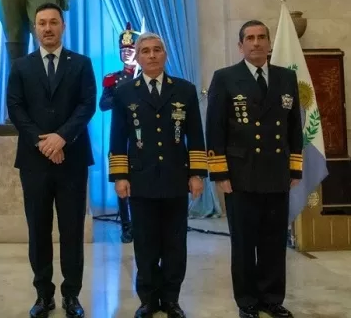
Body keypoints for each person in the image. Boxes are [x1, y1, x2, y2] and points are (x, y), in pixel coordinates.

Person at [206, 20, 302, 318]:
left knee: (274, 241)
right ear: (240, 46)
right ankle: (247, 301)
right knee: (244, 243)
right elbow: (215, 128)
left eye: (261, 37)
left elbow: (294, 127)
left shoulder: (286, 77)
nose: (256, 42)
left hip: (276, 172)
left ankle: (272, 298)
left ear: (269, 43)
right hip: (240, 174)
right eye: (250, 38)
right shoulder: (225, 78)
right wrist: (220, 173)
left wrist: (295, 169)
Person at [7, 2, 96, 318]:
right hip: (34, 161)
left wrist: (62, 137)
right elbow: (15, 108)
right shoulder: (21, 66)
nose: (47, 28)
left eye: (53, 22)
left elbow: (87, 105)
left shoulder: (81, 63)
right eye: (42, 23)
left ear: (63, 26)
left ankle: (72, 295)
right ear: (34, 28)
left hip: (72, 159)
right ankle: (43, 295)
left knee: (72, 231)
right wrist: (42, 141)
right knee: (38, 230)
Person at [109, 32, 207, 318]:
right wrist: (120, 176)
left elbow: (195, 135)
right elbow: (118, 137)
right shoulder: (125, 91)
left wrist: (197, 173)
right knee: (145, 244)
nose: (152, 55)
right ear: (138, 57)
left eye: (157, 50)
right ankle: (149, 299)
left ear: (165, 54)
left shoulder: (185, 90)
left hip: (176, 178)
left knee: (175, 244)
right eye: (145, 51)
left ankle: (172, 299)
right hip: (141, 180)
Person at [99, 22, 140, 243]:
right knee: (121, 180)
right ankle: (127, 225)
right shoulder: (113, 79)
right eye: (123, 50)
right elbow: (103, 104)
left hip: (144, 135)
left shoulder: (146, 76)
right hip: (121, 135)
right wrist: (121, 95)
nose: (126, 53)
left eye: (130, 49)